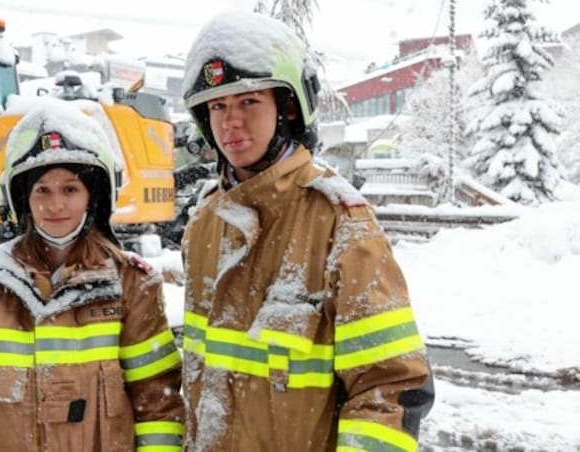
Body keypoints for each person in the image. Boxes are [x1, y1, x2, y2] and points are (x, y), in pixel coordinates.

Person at [179, 11, 434, 452]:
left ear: (289, 108)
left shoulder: (341, 224)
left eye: (248, 102)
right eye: (218, 106)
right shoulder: (205, 223)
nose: (230, 122)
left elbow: (389, 389)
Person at [0, 98, 184, 452]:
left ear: (94, 197)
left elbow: (157, 404)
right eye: (41, 189)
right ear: (21, 199)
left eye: (70, 189)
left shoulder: (132, 284)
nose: (55, 205)